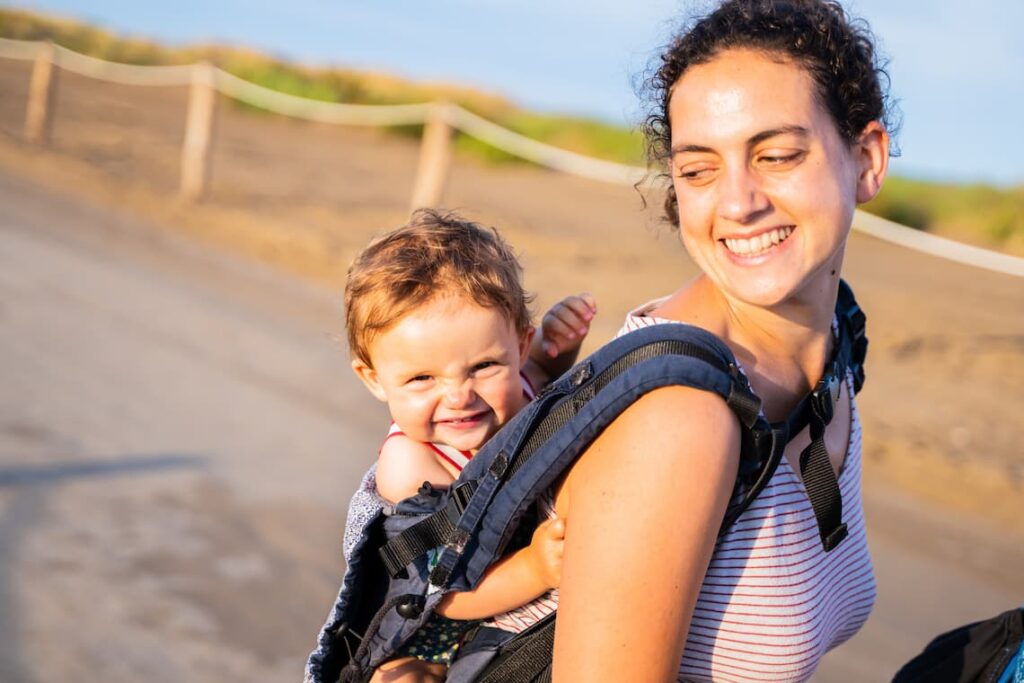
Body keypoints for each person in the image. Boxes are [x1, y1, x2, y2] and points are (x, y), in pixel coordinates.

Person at [546, 1, 895, 680]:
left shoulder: (834, 353)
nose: (737, 203)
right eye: (700, 169)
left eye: (776, 154)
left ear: (867, 160)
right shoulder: (679, 419)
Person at [343, 208, 596, 682]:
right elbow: (445, 594)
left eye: (483, 367)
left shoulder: (515, 386)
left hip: (512, 622)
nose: (459, 396)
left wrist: (558, 347)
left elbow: (538, 380)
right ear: (374, 379)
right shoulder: (412, 465)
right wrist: (536, 569)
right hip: (427, 633)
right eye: (422, 378)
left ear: (520, 345)